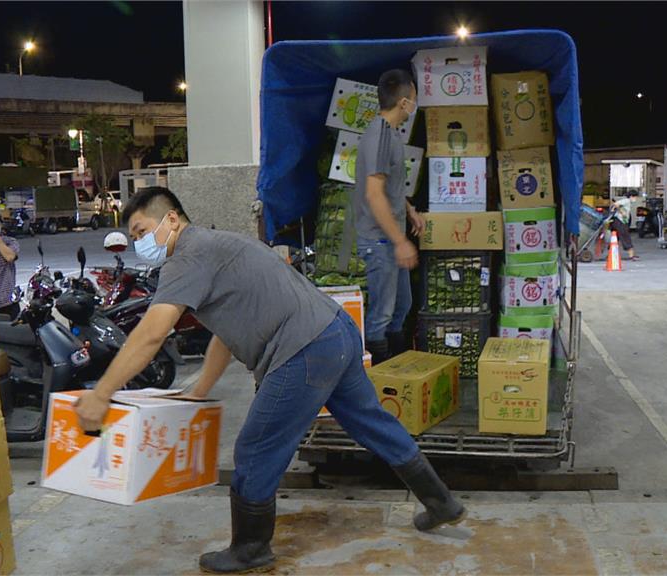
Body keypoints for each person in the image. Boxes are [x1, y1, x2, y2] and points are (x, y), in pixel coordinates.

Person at [73, 188, 465, 574]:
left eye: (142, 231)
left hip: (304, 349)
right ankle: (441, 501)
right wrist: (200, 390)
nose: (140, 242)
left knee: (256, 449)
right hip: (336, 332)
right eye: (135, 237)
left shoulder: (187, 257)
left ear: (171, 219)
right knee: (371, 422)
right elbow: (225, 333)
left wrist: (102, 394)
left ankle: (250, 548)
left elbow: (152, 333)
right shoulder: (219, 243)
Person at [352, 69, 425, 364]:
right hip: (380, 242)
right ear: (404, 101)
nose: (415, 105)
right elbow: (373, 194)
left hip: (390, 239)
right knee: (382, 314)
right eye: (415, 99)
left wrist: (409, 211)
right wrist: (400, 242)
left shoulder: (391, 134)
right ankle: (378, 382)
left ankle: (397, 371)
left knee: (401, 306)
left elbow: (389, 187)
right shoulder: (380, 137)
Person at [610, 192, 639, 260]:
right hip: (620, 221)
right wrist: (621, 212)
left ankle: (611, 254)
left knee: (616, 238)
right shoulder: (626, 201)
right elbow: (615, 204)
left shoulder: (628, 202)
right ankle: (631, 255)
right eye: (635, 197)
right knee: (625, 236)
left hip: (620, 221)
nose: (636, 199)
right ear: (631, 196)